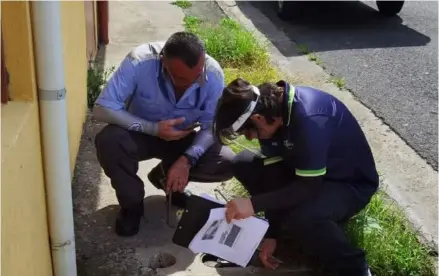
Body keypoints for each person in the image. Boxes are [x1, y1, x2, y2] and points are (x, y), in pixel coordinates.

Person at [212, 78, 378, 276]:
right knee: (244, 163)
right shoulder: (271, 112)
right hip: (307, 173)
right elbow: (273, 176)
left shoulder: (310, 120)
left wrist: (253, 204)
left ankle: (355, 268)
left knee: (304, 217)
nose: (251, 138)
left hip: (347, 183)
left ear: (258, 119)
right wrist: (272, 233)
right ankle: (288, 235)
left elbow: (308, 187)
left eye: (248, 133)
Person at [93, 32, 235, 237]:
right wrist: (153, 129)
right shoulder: (139, 61)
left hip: (180, 139)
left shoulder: (213, 74)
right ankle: (131, 206)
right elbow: (102, 108)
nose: (188, 84)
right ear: (163, 62)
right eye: (179, 78)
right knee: (109, 142)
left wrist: (186, 160)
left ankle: (165, 178)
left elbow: (210, 126)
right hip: (138, 133)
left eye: (195, 78)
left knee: (226, 161)